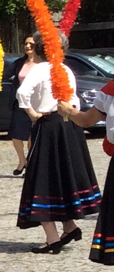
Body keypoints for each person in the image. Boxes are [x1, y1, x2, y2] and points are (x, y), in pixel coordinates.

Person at [15, 32, 100, 253]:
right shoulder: (65, 69)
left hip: (50, 126)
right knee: (61, 178)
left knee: (41, 180)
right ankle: (69, 227)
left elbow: (22, 93)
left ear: (41, 48)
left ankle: (52, 239)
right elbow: (74, 101)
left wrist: (33, 115)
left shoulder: (41, 69)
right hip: (70, 126)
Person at [59, 78, 114, 262]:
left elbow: (86, 121)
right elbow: (87, 120)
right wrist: (71, 112)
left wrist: (69, 111)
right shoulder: (111, 89)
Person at [10, 36, 37, 175]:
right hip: (20, 102)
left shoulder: (42, 63)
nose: (27, 46)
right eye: (25, 43)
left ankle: (31, 163)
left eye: (30, 44)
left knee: (32, 135)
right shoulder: (20, 63)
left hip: (36, 103)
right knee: (15, 133)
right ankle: (22, 160)